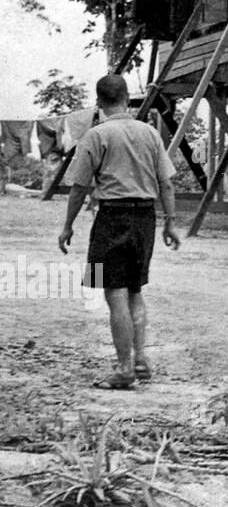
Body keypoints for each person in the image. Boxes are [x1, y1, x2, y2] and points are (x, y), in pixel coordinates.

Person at [58, 74, 180, 390]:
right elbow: (166, 182)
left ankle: (124, 369)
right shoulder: (150, 134)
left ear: (99, 103)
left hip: (111, 217)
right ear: (127, 98)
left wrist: (67, 226)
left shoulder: (96, 135)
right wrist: (170, 222)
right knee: (136, 290)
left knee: (115, 294)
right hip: (145, 219)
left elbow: (79, 188)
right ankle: (140, 358)